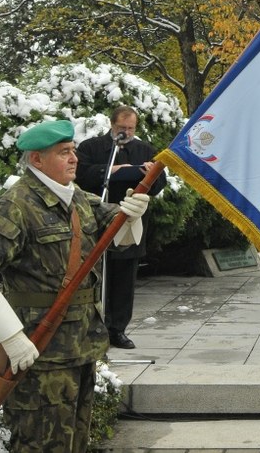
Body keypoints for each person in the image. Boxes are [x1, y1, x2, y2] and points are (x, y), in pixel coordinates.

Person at [0, 119, 150, 453]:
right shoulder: (16, 205)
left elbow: (118, 232)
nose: (74, 158)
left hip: (80, 347)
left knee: (75, 442)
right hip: (40, 349)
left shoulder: (77, 197)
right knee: (40, 444)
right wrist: (11, 338)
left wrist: (133, 213)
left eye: (73, 151)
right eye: (63, 152)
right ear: (37, 160)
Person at [75, 106, 166, 350]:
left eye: (130, 129)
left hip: (130, 225)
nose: (126, 133)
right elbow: (81, 176)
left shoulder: (144, 150)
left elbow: (159, 185)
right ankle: (93, 328)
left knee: (124, 279)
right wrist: (112, 170)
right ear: (111, 125)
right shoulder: (91, 148)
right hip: (96, 223)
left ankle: (118, 330)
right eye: (121, 128)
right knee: (94, 277)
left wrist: (151, 173)